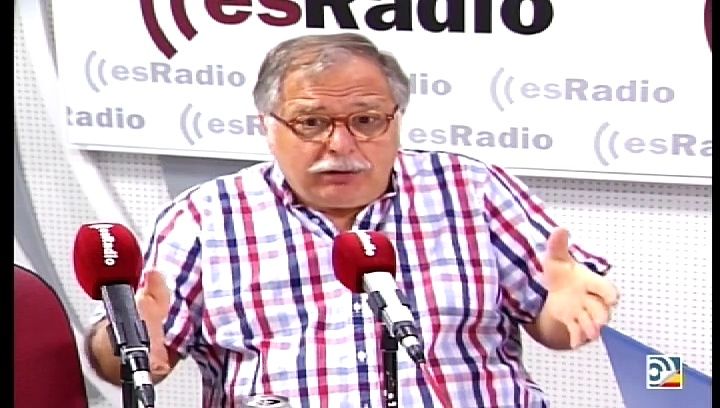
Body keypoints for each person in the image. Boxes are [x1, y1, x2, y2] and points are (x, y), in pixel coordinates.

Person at [85, 32, 619, 407]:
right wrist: (129, 338)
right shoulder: (205, 218)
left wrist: (568, 309)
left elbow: (556, 324)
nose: (341, 144)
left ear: (396, 119)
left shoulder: (472, 190)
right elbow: (122, 365)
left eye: (366, 120)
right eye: (311, 123)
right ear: (267, 126)